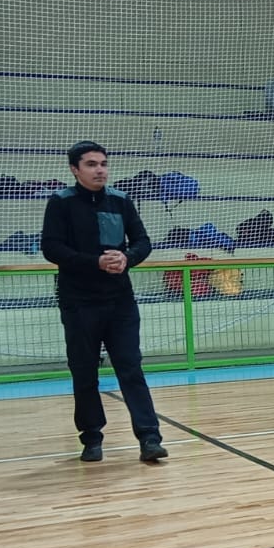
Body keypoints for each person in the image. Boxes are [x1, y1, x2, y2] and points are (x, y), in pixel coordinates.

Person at [40, 142, 166, 463]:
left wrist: (128, 257)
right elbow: (52, 248)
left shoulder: (122, 201)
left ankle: (150, 438)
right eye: (92, 164)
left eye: (104, 164)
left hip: (120, 301)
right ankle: (92, 438)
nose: (100, 170)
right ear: (74, 169)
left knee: (131, 368)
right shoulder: (61, 203)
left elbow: (142, 241)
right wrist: (94, 262)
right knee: (84, 373)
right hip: (79, 302)